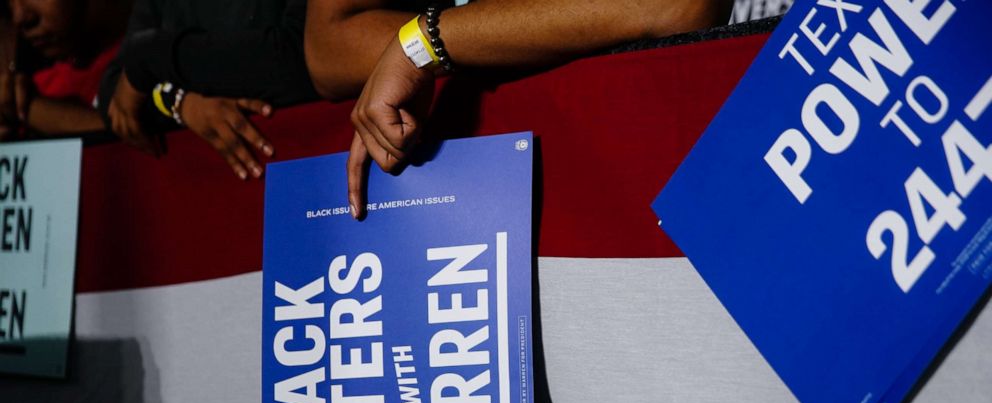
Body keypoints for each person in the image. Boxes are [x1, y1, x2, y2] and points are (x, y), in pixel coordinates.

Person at [303, 0, 735, 217]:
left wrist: (423, 44)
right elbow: (330, 49)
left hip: (640, 181)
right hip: (472, 192)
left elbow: (677, 6)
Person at [100, 0, 316, 179]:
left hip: (306, 161)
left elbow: (303, 60)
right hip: (207, 183)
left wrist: (154, 58)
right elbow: (115, 99)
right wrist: (180, 101)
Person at [0, 0, 130, 140]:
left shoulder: (147, 67)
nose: (19, 17)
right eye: (8, 2)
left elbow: (140, 141)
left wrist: (30, 110)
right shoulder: (39, 87)